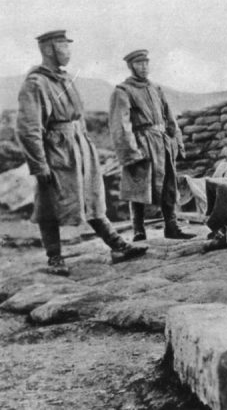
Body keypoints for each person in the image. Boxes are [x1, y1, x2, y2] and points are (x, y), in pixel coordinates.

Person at [16, 30, 147, 275]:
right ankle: (54, 258)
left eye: (68, 47)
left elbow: (78, 116)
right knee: (49, 202)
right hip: (56, 150)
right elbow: (28, 128)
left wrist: (84, 144)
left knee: (92, 197)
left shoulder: (65, 79)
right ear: (48, 50)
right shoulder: (36, 83)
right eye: (63, 47)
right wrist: (39, 164)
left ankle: (116, 245)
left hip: (79, 147)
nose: (68, 52)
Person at [109, 49, 194, 241]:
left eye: (146, 63)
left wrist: (176, 141)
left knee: (168, 185)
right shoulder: (123, 91)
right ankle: (139, 230)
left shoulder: (156, 89)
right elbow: (120, 124)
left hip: (162, 141)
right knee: (139, 186)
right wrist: (130, 152)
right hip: (141, 143)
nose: (144, 67)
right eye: (139, 64)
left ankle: (171, 226)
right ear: (131, 67)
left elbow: (169, 116)